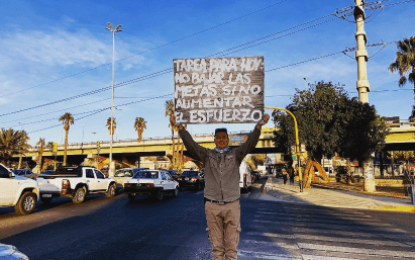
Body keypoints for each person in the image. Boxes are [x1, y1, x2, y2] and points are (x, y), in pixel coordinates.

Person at [170, 113, 269, 260]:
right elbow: (191, 145)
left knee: (231, 249)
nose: (221, 140)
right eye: (218, 137)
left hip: (232, 205)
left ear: (227, 139)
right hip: (212, 206)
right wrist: (180, 128)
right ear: (214, 139)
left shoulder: (236, 154)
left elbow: (250, 145)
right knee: (217, 249)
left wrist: (258, 127)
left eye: (224, 137)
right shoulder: (207, 155)